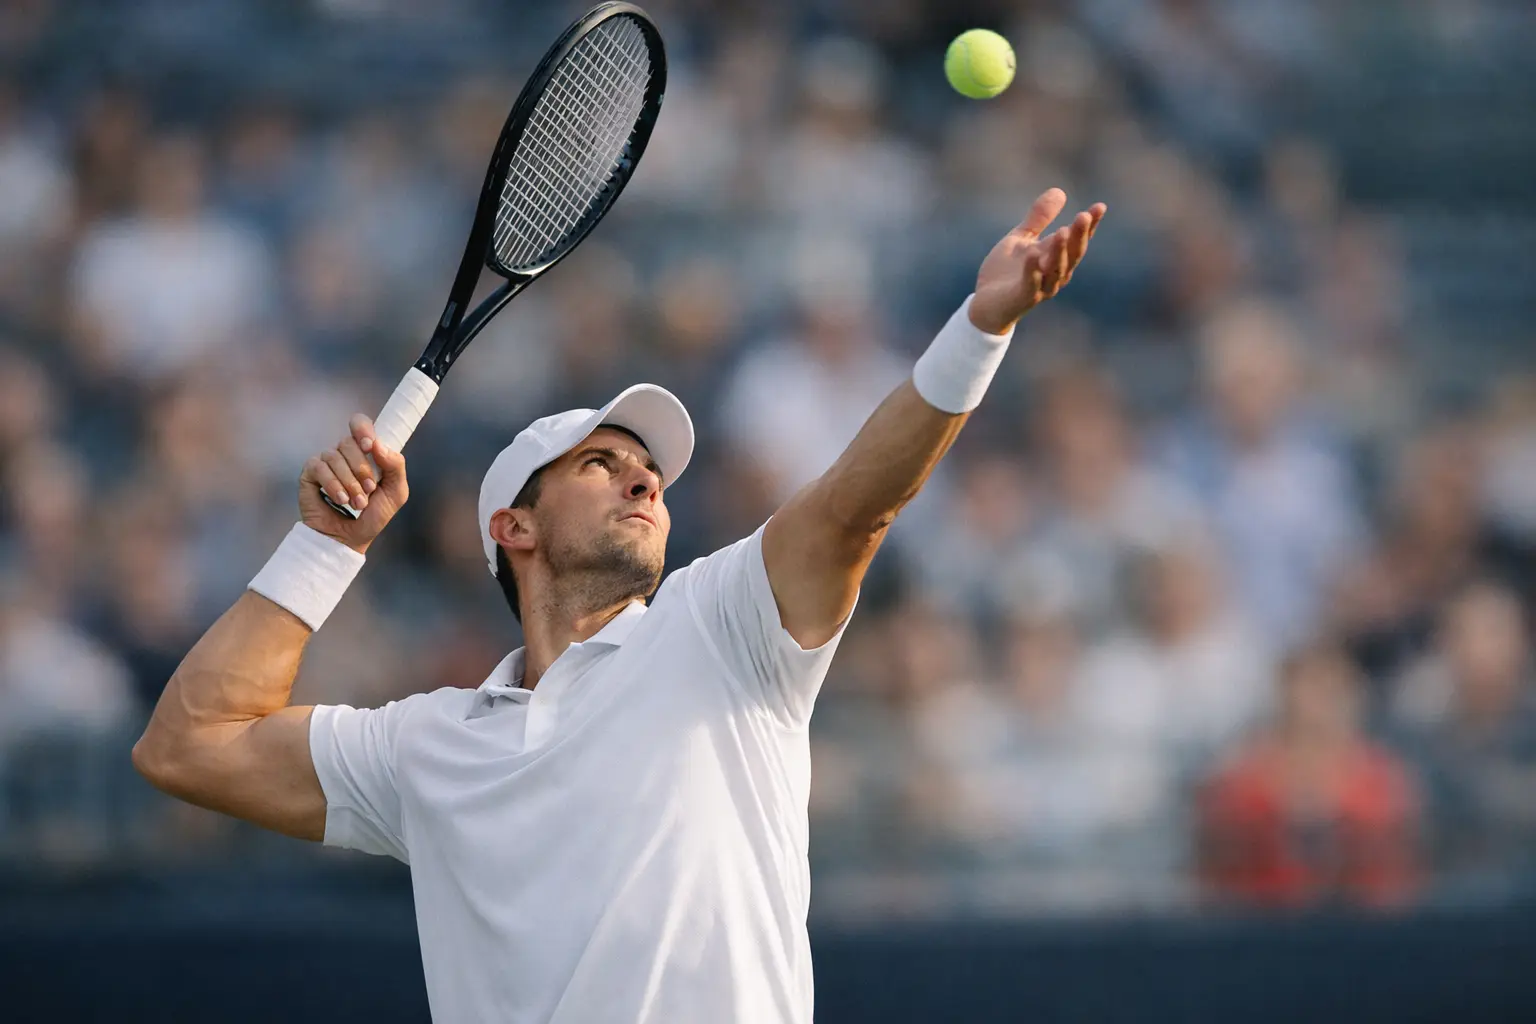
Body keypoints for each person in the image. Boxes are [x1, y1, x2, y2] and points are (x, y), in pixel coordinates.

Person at [131, 187, 1105, 1022]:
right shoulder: (424, 748)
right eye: (604, 465)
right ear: (514, 528)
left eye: (653, 476)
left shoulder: (719, 627)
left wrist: (979, 330)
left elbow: (858, 502)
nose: (646, 486)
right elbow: (189, 744)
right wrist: (327, 545)